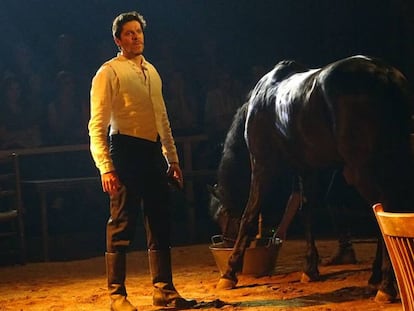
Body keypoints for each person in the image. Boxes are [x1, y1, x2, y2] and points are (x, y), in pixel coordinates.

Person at [88, 11, 196, 311]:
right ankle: (116, 295)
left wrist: (172, 160)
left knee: (159, 220)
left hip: (151, 152)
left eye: (139, 31)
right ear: (118, 40)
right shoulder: (108, 72)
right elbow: (96, 125)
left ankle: (164, 289)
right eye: (129, 33)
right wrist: (105, 166)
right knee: (122, 223)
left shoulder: (152, 71)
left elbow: (163, 119)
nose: (136, 37)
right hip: (124, 149)